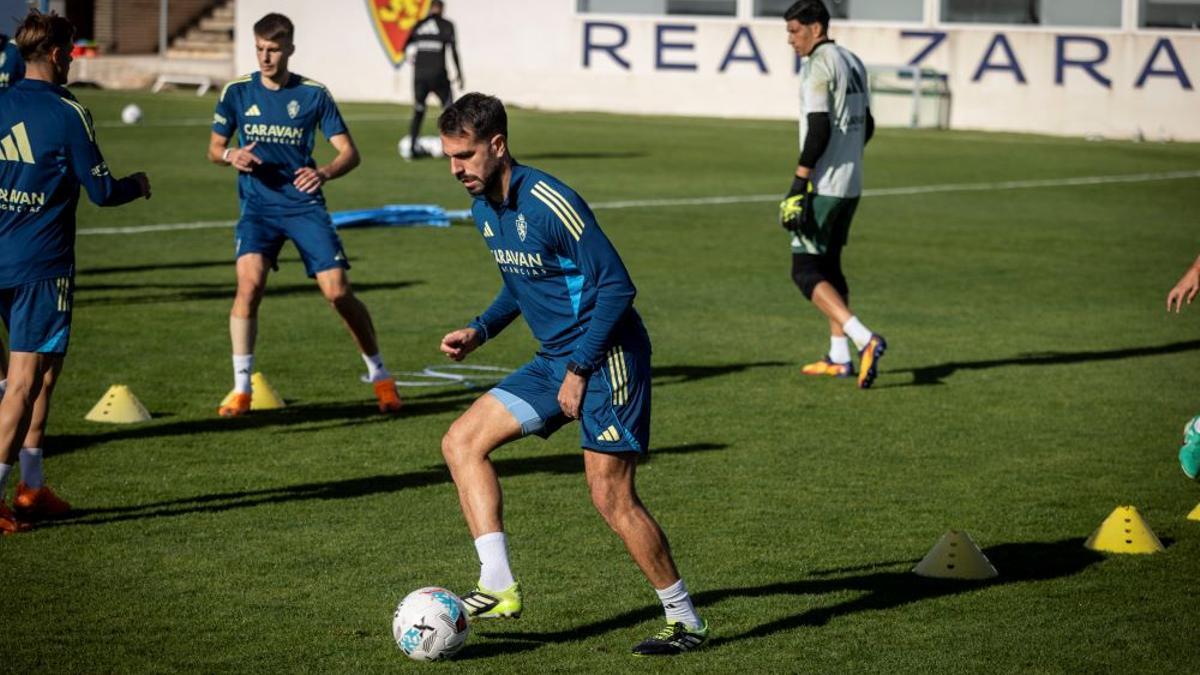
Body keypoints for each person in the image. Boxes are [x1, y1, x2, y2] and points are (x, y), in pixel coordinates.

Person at [436, 93, 708, 656]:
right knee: (461, 441)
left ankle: (685, 621)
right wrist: (480, 329)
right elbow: (521, 279)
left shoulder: (549, 200)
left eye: (464, 155)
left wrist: (581, 369)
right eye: (448, 157)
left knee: (611, 497)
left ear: (498, 145)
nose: (455, 168)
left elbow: (616, 285)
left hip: (608, 356)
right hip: (557, 358)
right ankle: (497, 584)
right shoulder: (484, 207)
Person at [0, 10, 151, 533]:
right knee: (23, 382)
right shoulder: (69, 111)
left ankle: (32, 487)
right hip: (40, 266)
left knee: (42, 374)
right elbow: (104, 192)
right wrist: (137, 183)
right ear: (62, 54)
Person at [208, 13, 401, 416]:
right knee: (249, 286)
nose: (265, 57)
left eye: (273, 50)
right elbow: (214, 149)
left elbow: (350, 152)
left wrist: (324, 172)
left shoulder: (313, 94)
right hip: (258, 208)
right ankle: (241, 389)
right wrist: (231, 155)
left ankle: (380, 375)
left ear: (290, 49)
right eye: (259, 48)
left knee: (337, 292)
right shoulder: (237, 92)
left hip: (303, 205)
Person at [779, 0, 886, 389]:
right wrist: (849, 159)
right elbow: (868, 125)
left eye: (795, 31)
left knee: (804, 270)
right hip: (851, 184)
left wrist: (799, 182)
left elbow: (820, 128)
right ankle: (839, 356)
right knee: (829, 267)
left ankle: (863, 338)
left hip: (824, 185)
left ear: (817, 29)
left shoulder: (819, 65)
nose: (790, 40)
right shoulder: (852, 60)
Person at [403, 0, 462, 159]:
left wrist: (412, 57)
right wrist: (459, 73)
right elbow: (453, 50)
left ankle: (412, 148)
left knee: (419, 110)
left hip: (420, 76)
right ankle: (453, 148)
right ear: (441, 9)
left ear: (430, 9)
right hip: (438, 75)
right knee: (450, 111)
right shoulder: (447, 25)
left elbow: (405, 47)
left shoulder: (419, 24)